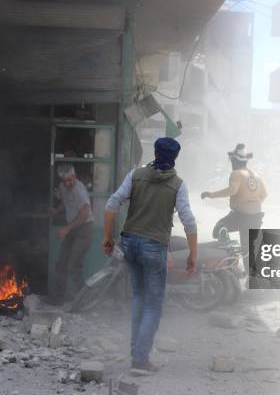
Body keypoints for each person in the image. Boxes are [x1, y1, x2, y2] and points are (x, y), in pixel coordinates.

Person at [103, 137, 197, 376]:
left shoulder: (136, 175)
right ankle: (140, 360)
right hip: (154, 247)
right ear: (175, 158)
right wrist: (193, 254)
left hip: (130, 243)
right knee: (153, 305)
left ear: (154, 152)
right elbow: (188, 221)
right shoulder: (178, 184)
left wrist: (107, 237)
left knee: (138, 298)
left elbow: (113, 202)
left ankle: (136, 352)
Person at [201, 143, 267, 259]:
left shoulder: (236, 173)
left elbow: (232, 190)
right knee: (248, 250)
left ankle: (230, 250)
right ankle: (249, 274)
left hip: (241, 217)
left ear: (236, 161)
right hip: (256, 218)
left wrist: (211, 195)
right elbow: (264, 194)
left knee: (219, 229)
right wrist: (252, 203)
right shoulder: (256, 175)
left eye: (232, 161)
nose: (231, 163)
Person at [50, 164, 93, 304]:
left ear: (74, 176)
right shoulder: (63, 187)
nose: (67, 183)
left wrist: (67, 229)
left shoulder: (80, 190)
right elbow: (66, 202)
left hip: (84, 229)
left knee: (74, 265)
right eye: (65, 181)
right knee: (61, 262)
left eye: (70, 180)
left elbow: (85, 214)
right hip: (72, 229)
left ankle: (82, 300)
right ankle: (58, 298)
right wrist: (57, 210)